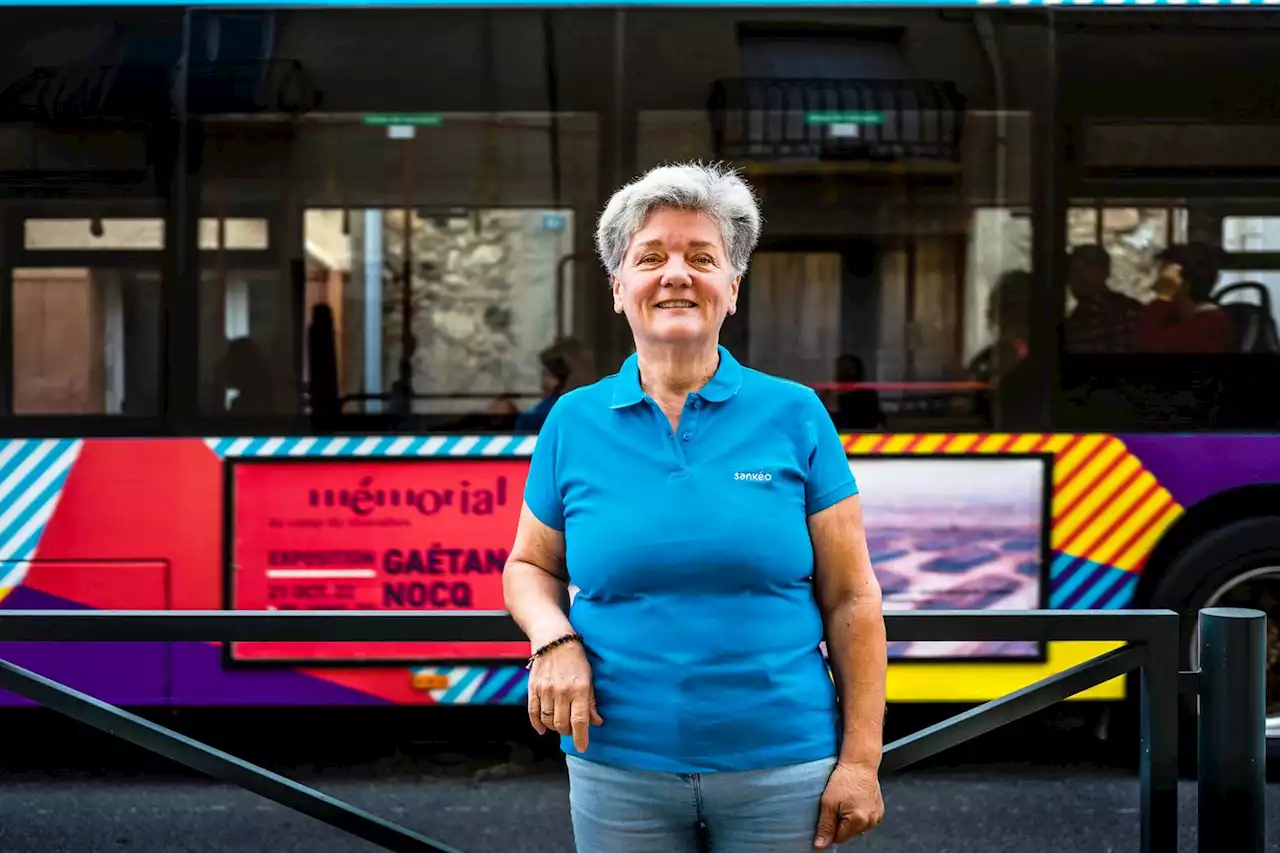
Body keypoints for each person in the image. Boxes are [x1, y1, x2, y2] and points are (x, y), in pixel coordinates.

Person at [503, 162, 887, 853]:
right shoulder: (572, 420)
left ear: (731, 289)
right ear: (619, 287)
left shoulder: (796, 414)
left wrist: (861, 761)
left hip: (785, 765)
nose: (676, 273)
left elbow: (854, 597)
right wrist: (552, 638)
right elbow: (530, 565)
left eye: (702, 258)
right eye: (650, 256)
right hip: (616, 761)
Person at [1136, 242, 1235, 354]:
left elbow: (1149, 346)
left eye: (1162, 272)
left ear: (1183, 282)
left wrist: (1164, 296)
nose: (1157, 278)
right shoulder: (1177, 315)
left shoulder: (1211, 323)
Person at [1064, 245, 1144, 354]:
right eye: (1074, 270)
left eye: (1088, 268)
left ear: (1105, 272)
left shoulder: (1127, 313)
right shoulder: (1073, 322)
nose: (1080, 275)